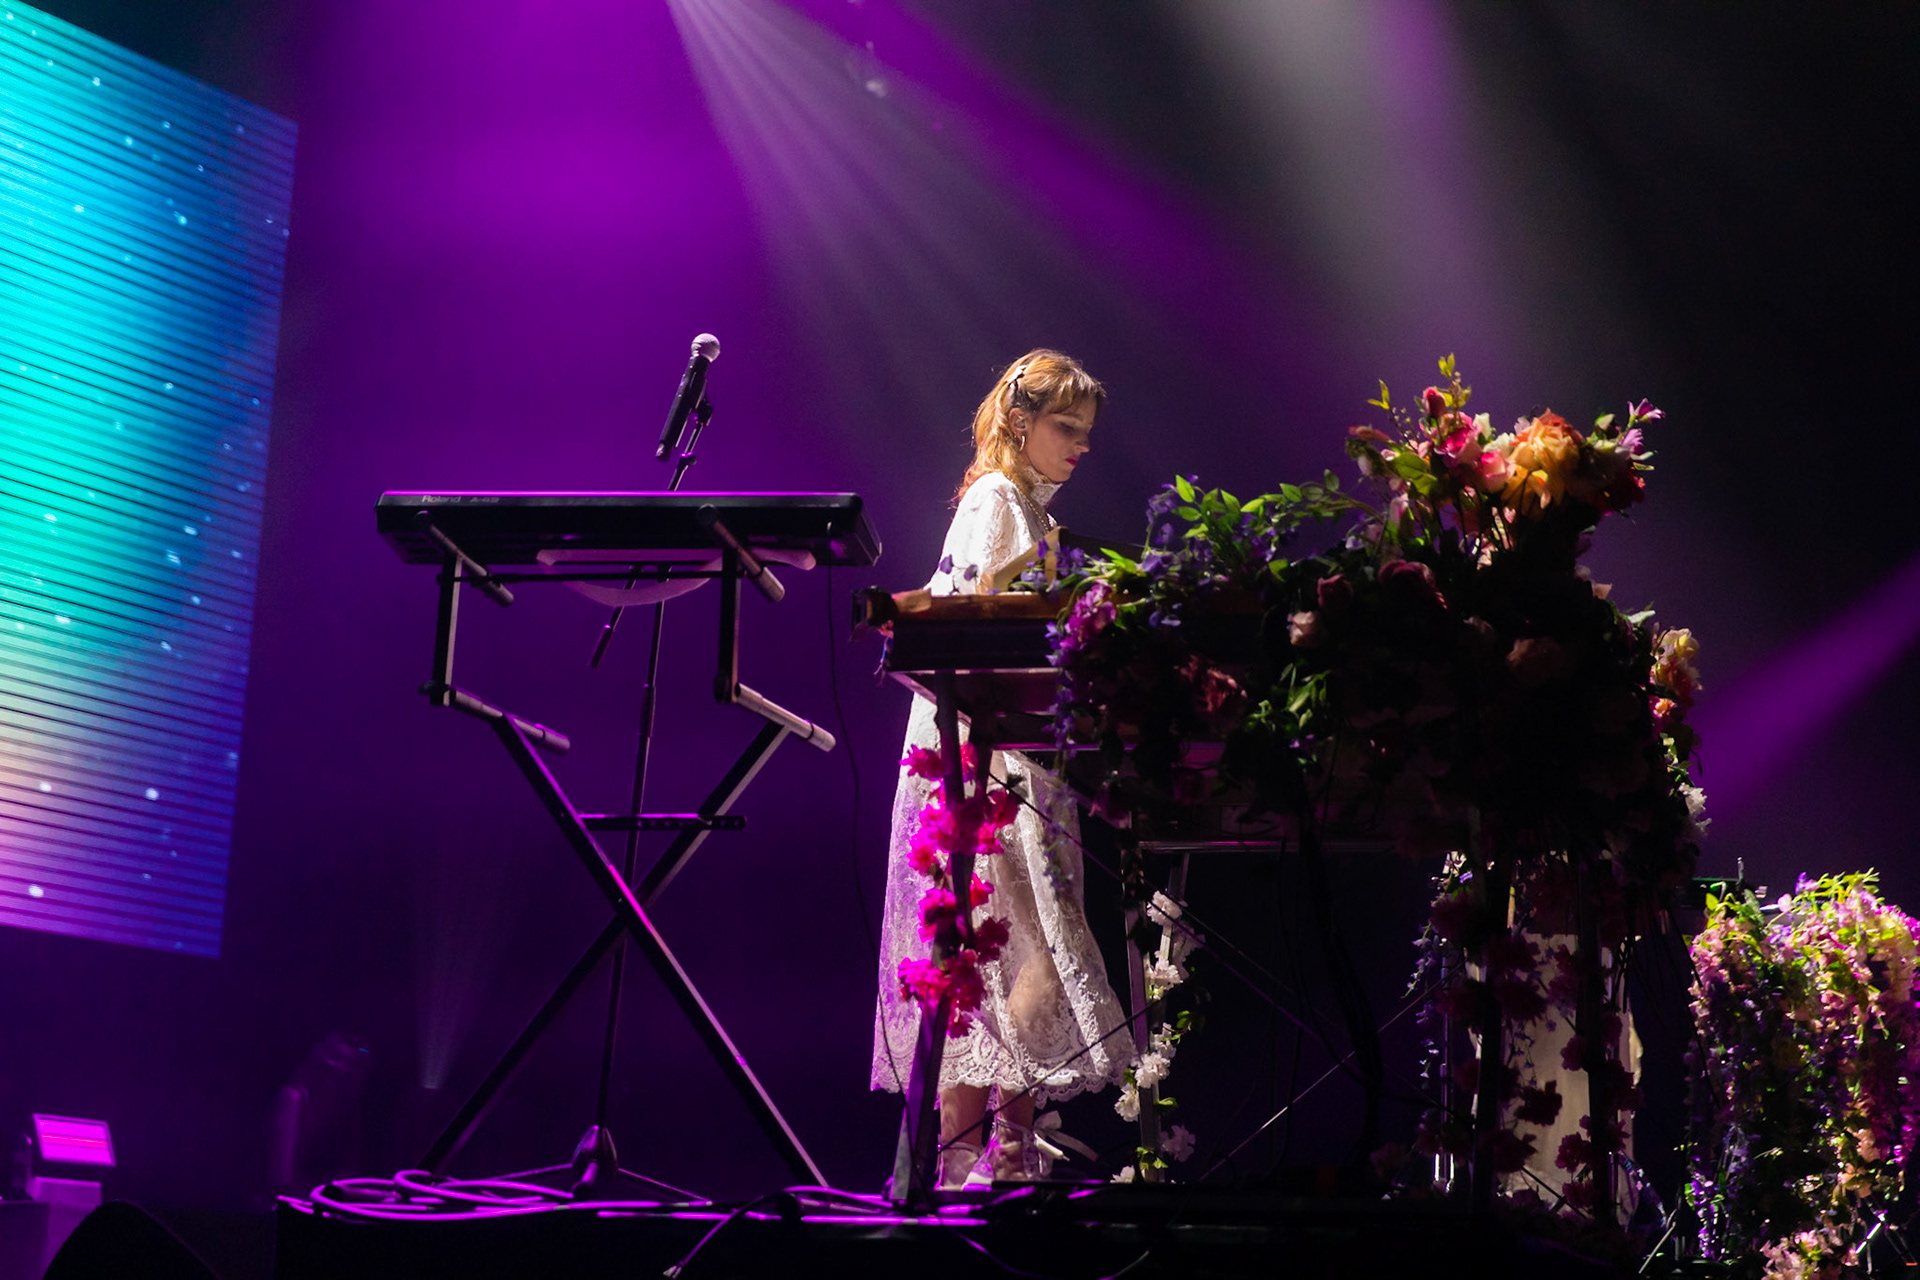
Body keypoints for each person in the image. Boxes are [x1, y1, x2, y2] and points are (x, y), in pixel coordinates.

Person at [872, 349, 1130, 1187]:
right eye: (1068, 428)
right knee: (996, 939)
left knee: (1016, 943)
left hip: (1011, 741)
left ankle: (995, 1151)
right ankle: (969, 1156)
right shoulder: (997, 499)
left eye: (1088, 433)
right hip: (983, 750)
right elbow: (979, 620)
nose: (1081, 446)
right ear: (1021, 421)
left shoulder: (1024, 507)